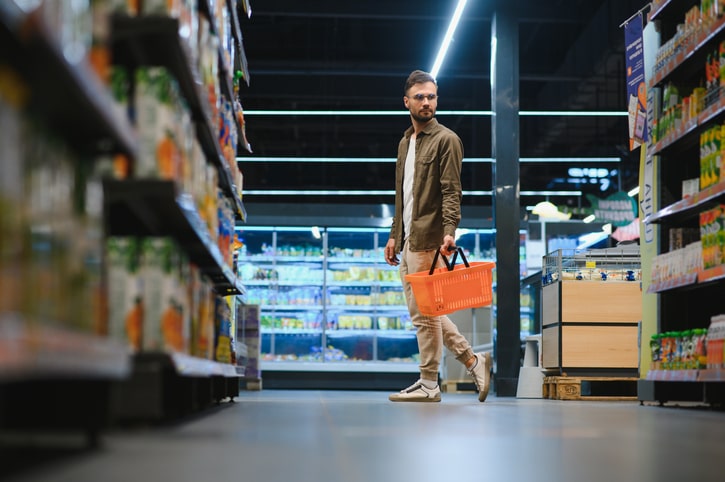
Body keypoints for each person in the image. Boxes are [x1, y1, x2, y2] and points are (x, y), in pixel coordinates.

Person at [385, 69, 491, 403]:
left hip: (429, 238)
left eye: (431, 96)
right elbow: (403, 196)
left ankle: (429, 382)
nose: (427, 102)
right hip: (408, 240)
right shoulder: (406, 142)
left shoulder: (447, 140)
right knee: (425, 314)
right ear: (407, 102)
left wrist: (449, 232)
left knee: (424, 317)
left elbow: (451, 192)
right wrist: (394, 236)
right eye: (420, 97)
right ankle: (473, 361)